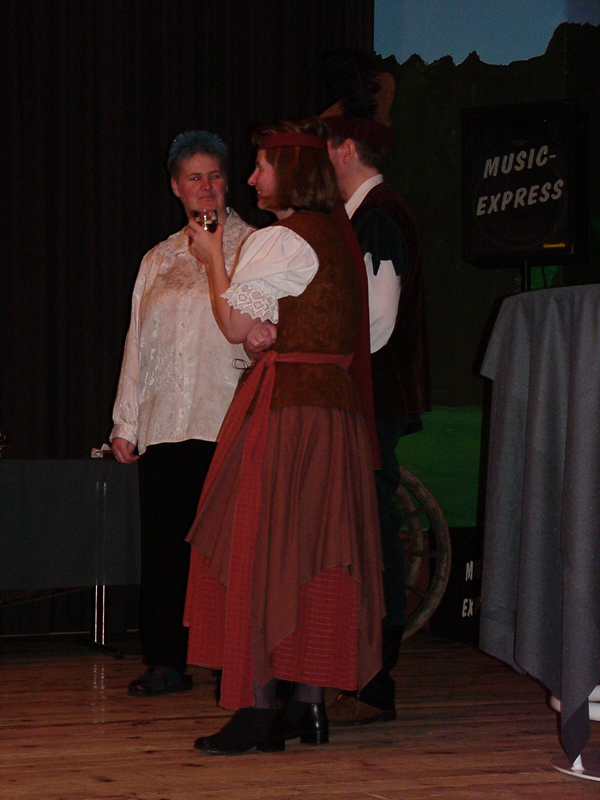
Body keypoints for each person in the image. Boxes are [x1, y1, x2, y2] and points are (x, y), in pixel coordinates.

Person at [183, 117, 385, 755]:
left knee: (258, 544)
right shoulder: (337, 237)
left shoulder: (281, 239)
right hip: (333, 414)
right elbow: (285, 325)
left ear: (291, 172)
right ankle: (309, 706)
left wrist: (213, 259)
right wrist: (268, 334)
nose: (250, 179)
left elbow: (234, 324)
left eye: (262, 167)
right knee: (313, 548)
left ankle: (258, 707)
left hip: (289, 413)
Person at [110, 130, 254, 697]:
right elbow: (137, 341)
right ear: (176, 187)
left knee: (229, 548)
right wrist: (126, 422)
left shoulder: (254, 246)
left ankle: (233, 659)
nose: (207, 187)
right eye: (195, 177)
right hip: (167, 421)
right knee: (166, 547)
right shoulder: (158, 258)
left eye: (215, 175)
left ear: (228, 181)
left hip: (228, 418)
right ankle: (167, 660)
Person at [322, 64, 430, 726]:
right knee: (367, 526)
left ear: (343, 149)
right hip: (364, 395)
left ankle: (377, 674)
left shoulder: (380, 216)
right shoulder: (364, 216)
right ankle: (364, 667)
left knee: (375, 528)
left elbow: (378, 321)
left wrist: (332, 368)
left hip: (373, 398)